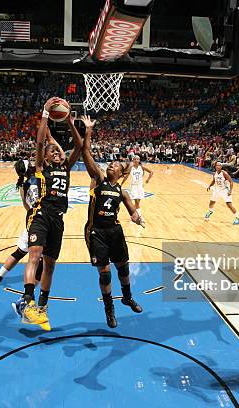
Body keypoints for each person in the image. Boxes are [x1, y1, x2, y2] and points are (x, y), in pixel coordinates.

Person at [16, 98, 82, 329]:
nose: (55, 151)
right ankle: (26, 300)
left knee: (51, 265)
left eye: (57, 150)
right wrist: (45, 113)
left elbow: (80, 146)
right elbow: (40, 140)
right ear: (44, 157)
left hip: (58, 219)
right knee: (34, 255)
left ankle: (42, 307)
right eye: (51, 150)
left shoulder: (66, 167)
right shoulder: (41, 168)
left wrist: (71, 122)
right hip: (40, 214)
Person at [79, 115, 145, 328]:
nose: (111, 165)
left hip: (115, 232)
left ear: (121, 172)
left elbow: (132, 212)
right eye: (110, 163)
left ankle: (127, 297)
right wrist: (88, 130)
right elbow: (86, 153)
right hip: (97, 232)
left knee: (123, 268)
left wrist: (137, 218)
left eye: (115, 164)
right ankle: (109, 309)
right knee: (105, 274)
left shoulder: (122, 191)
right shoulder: (98, 180)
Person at [0, 159, 43, 295]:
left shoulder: (23, 185)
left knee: (19, 253)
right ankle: (27, 295)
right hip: (42, 223)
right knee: (41, 260)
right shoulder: (40, 178)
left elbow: (26, 206)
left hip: (31, 220)